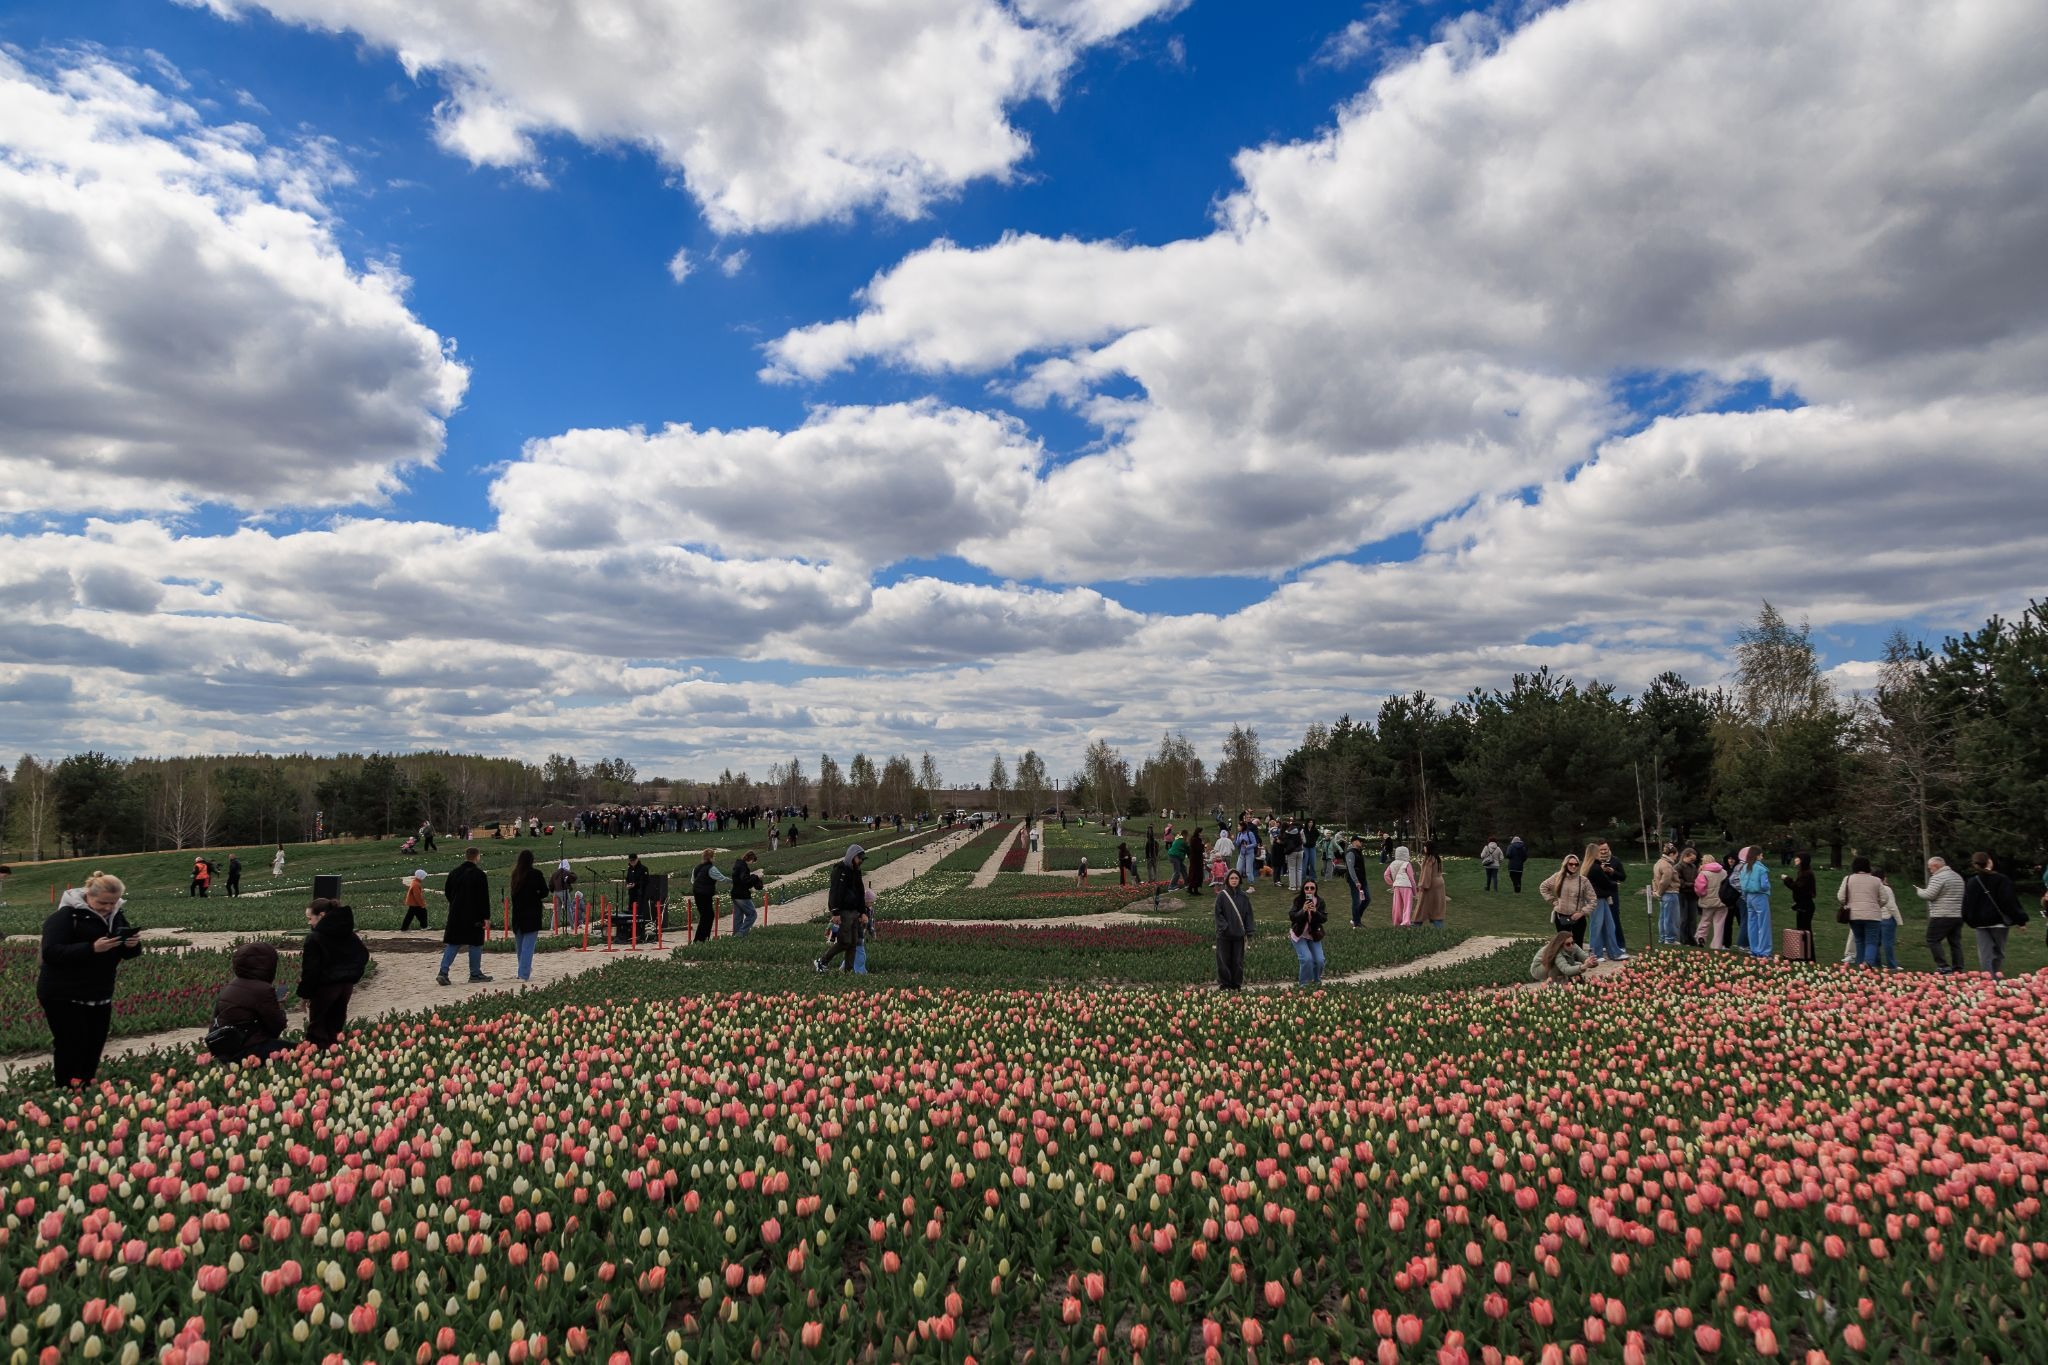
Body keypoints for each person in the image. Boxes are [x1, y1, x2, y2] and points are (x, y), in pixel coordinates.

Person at [38, 872, 143, 1085]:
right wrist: (91, 948)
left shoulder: (116, 916)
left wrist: (132, 945)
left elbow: (127, 954)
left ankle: (85, 1088)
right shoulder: (65, 917)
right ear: (88, 895)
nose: (108, 908)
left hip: (99, 991)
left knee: (94, 1044)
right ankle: (67, 1089)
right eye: (102, 903)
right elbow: (51, 953)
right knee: (71, 1044)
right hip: (63, 993)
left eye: (113, 903)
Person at [299, 898, 368, 1047]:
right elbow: (363, 955)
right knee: (336, 1025)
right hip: (346, 986)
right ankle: (334, 1053)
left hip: (325, 987)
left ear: (321, 915)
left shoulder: (315, 938)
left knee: (318, 1028)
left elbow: (310, 970)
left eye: (310, 918)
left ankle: (319, 1055)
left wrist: (305, 994)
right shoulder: (348, 933)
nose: (309, 923)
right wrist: (352, 974)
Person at [207, 942, 289, 1064]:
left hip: (225, 1049)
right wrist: (279, 1007)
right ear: (268, 966)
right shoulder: (263, 989)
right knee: (302, 1052)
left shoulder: (231, 985)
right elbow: (277, 1026)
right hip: (248, 1050)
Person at [1961, 852, 2025, 979]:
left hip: (1980, 922)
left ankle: (1988, 979)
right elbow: (2009, 901)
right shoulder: (2002, 880)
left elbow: (1967, 904)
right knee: (1999, 952)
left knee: (1985, 953)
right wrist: (2020, 920)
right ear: (1989, 862)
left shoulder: (1972, 882)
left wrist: (1968, 919)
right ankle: (1994, 976)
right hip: (1999, 921)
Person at [439, 847, 493, 986]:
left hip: (456, 913)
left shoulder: (454, 873)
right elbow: (483, 898)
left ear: (466, 856)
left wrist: (455, 903)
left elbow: (448, 892)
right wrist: (486, 916)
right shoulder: (479, 875)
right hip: (474, 915)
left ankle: (443, 972)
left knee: (453, 943)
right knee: (475, 943)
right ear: (477, 857)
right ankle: (475, 973)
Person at [815, 846, 867, 972]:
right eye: (859, 858)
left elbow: (860, 892)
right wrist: (835, 912)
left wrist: (862, 912)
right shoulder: (840, 870)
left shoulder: (856, 871)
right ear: (852, 856)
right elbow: (835, 892)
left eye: (862, 859)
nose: (861, 861)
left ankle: (848, 971)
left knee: (853, 943)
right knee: (845, 941)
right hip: (843, 911)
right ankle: (822, 961)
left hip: (854, 911)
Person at [1916, 856, 1966, 973]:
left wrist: (1919, 891)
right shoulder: (1957, 876)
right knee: (1955, 942)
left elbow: (1929, 895)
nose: (1930, 871)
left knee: (1932, 939)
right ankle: (1958, 967)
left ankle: (1943, 966)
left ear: (1936, 866)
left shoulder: (1938, 877)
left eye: (1930, 868)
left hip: (1942, 914)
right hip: (1957, 914)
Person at [1838, 857, 1889, 967]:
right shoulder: (1876, 880)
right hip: (1873, 915)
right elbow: (1885, 898)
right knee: (1871, 941)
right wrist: (1877, 905)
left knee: (1859, 940)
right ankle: (1868, 962)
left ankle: (1860, 963)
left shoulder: (1848, 879)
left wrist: (1849, 904)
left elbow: (1841, 897)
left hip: (1854, 915)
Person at [1539, 853, 1597, 949]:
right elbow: (1543, 887)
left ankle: (1578, 959)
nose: (1574, 866)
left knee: (1577, 946)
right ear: (1566, 864)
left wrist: (1582, 912)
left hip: (1577, 918)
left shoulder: (1583, 880)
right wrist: (1553, 901)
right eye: (1571, 864)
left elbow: (1593, 900)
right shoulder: (1557, 877)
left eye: (1576, 864)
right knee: (1563, 945)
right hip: (1561, 917)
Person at [508, 849, 546, 980]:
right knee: (528, 947)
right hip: (532, 914)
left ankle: (522, 969)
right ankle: (523, 973)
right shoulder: (536, 874)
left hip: (518, 914)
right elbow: (545, 891)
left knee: (520, 947)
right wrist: (536, 894)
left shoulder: (515, 874)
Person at [1213, 869, 1253, 990]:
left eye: (1236, 878)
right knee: (1223, 960)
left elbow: (1248, 914)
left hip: (1238, 935)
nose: (1234, 880)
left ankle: (1236, 984)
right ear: (1227, 880)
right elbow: (1218, 914)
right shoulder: (1222, 895)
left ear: (1239, 880)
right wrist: (1225, 927)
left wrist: (1249, 930)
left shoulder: (1244, 896)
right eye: (1232, 878)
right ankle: (1225, 984)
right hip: (1224, 935)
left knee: (1237, 961)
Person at [1586, 842, 1628, 958]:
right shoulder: (1595, 867)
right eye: (1599, 851)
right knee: (1597, 926)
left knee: (1610, 924)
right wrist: (1614, 884)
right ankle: (1596, 954)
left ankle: (1614, 951)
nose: (1602, 853)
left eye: (1605, 849)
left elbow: (1622, 876)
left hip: (1604, 897)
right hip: (1598, 899)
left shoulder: (1600, 864)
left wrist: (1612, 874)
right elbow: (1604, 882)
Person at [1733, 846, 1774, 959]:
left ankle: (1754, 949)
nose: (1762, 857)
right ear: (1757, 855)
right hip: (1760, 896)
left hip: (1748, 897)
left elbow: (1742, 883)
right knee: (1763, 924)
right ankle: (1764, 951)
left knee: (1752, 923)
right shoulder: (1761, 869)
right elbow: (1764, 885)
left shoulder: (1745, 867)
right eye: (1761, 854)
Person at [1289, 879, 1328, 985]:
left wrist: (1316, 912)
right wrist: (1303, 910)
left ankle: (1316, 982)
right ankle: (1304, 985)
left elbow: (1324, 919)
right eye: (1307, 888)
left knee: (1320, 960)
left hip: (1313, 935)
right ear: (1303, 889)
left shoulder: (1320, 901)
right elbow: (1292, 917)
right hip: (1299, 935)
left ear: (1315, 890)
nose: (1309, 890)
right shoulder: (1298, 900)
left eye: (1312, 888)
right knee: (1306, 959)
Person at [691, 849, 729, 943]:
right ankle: (702, 939)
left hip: (697, 893)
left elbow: (693, 881)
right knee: (708, 916)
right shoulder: (711, 868)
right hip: (705, 894)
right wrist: (735, 881)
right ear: (712, 857)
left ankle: (700, 939)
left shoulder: (697, 867)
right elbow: (722, 878)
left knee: (705, 916)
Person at [1694, 854, 1731, 949]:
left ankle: (1700, 937)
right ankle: (1717, 945)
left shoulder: (1703, 873)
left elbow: (1700, 889)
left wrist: (1702, 895)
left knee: (1705, 920)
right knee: (1719, 924)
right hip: (1722, 901)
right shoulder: (1724, 872)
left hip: (1708, 901)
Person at [1532, 931, 1596, 984]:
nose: (1571, 945)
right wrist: (1584, 966)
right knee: (1558, 966)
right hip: (1539, 968)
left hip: (1552, 965)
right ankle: (1555, 985)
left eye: (1572, 942)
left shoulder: (1574, 946)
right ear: (1561, 944)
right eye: (1568, 944)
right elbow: (1566, 969)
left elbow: (1584, 957)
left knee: (1578, 965)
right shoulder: (1556, 951)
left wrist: (1590, 961)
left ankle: (1577, 983)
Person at [1651, 843, 1682, 944]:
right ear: (1671, 854)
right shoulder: (1667, 865)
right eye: (1676, 855)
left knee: (1663, 917)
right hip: (1670, 893)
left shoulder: (1658, 863)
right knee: (1671, 917)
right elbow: (1665, 881)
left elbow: (1654, 879)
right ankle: (1670, 939)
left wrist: (1656, 891)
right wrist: (1659, 892)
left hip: (1663, 894)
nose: (1676, 858)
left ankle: (1663, 938)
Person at [1414, 845, 1448, 929]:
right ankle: (1439, 927)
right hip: (1440, 882)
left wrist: (1422, 885)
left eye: (1425, 847)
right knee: (1437, 906)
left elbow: (1427, 874)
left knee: (1422, 905)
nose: (1424, 848)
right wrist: (1422, 866)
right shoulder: (1437, 858)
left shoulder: (1429, 859)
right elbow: (1437, 870)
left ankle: (1416, 925)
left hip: (1431, 883)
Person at [729, 851, 763, 937]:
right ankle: (741, 933)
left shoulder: (738, 865)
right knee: (752, 914)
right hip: (742, 895)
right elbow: (745, 880)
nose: (752, 863)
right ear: (750, 859)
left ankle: (736, 936)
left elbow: (741, 880)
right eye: (753, 861)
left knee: (738, 916)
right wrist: (756, 877)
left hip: (735, 894)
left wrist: (751, 878)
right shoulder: (743, 867)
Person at [1783, 853, 1817, 934]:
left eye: (1798, 858)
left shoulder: (1806, 874)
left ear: (1803, 860)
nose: (1795, 859)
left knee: (1804, 930)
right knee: (1802, 929)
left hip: (1805, 905)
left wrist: (1787, 879)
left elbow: (1797, 887)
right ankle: (1804, 942)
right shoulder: (1802, 872)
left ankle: (1806, 942)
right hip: (1802, 904)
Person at [1344, 835, 1373, 928]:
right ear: (1354, 842)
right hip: (1354, 881)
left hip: (1363, 880)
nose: (1361, 843)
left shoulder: (1359, 851)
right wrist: (1356, 881)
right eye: (1360, 841)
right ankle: (1357, 923)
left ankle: (1355, 919)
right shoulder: (1350, 853)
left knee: (1367, 899)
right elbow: (1351, 868)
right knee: (1356, 901)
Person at [1383, 845, 1415, 927]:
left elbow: (1386, 875)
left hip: (1397, 885)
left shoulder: (1392, 864)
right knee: (1407, 904)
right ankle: (1406, 922)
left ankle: (1396, 922)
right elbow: (1411, 878)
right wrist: (1414, 890)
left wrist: (1392, 883)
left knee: (1397, 905)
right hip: (1406, 885)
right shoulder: (1407, 864)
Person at [1676, 847, 1702, 947]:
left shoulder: (1693, 867)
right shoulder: (1678, 867)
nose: (1693, 861)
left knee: (1692, 918)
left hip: (1692, 894)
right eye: (1691, 859)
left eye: (1694, 860)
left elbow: (1696, 878)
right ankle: (1683, 939)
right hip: (1683, 894)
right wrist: (1691, 884)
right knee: (1684, 918)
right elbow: (1678, 881)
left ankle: (1692, 939)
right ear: (1685, 856)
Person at [550, 859, 578, 930]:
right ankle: (573, 926)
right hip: (564, 892)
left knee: (556, 910)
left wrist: (553, 890)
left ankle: (553, 927)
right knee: (568, 909)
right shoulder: (565, 872)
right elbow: (574, 877)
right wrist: (570, 872)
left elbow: (550, 884)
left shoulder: (555, 873)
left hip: (555, 893)